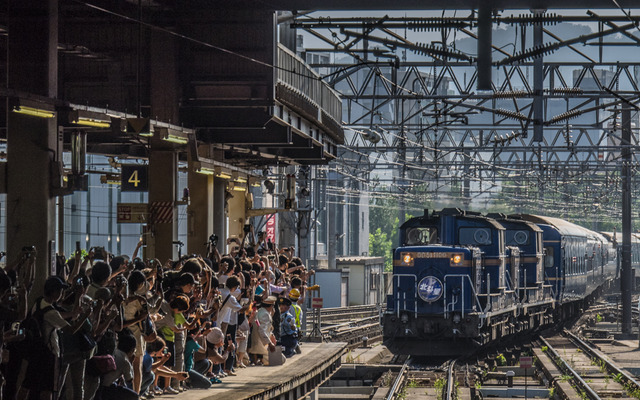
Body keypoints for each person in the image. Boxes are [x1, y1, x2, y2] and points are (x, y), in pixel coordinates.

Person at [20, 276, 92, 400]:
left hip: (36, 352)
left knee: (27, 384)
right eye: (60, 291)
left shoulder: (39, 303)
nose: (61, 294)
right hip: (49, 354)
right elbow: (71, 329)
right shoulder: (51, 313)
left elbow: (65, 314)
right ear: (54, 292)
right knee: (48, 390)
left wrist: (76, 297)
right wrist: (85, 316)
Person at [248, 296, 276, 365]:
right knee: (280, 359)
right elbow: (262, 330)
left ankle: (258, 358)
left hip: (257, 343)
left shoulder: (259, 311)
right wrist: (269, 343)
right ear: (271, 306)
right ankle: (259, 358)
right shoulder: (265, 315)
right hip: (260, 345)